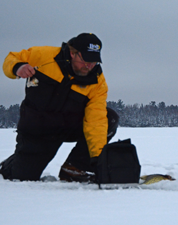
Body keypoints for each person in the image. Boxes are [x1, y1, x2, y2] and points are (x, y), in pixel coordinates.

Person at [0, 33, 119, 182]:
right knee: (22, 177)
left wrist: (97, 158)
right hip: (36, 130)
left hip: (66, 128)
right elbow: (11, 58)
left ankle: (74, 169)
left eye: (94, 61)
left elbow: (96, 120)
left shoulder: (97, 82)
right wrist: (17, 67)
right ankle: (11, 164)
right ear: (72, 53)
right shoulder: (43, 56)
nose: (89, 66)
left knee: (110, 118)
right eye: (85, 60)